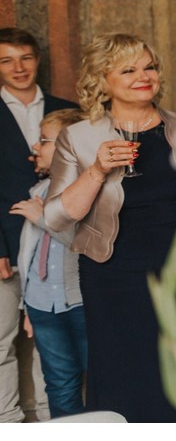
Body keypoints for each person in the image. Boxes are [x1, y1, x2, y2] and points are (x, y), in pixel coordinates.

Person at [43, 34, 176, 422]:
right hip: (114, 278)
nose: (144, 76)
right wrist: (96, 171)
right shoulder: (77, 136)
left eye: (149, 67)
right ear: (102, 81)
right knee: (125, 377)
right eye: (128, 69)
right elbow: (56, 218)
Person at [0, 28, 76, 423]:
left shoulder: (68, 109)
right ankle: (7, 422)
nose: (18, 67)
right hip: (8, 243)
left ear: (38, 59)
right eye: (6, 60)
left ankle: (51, 422)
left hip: (62, 247)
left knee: (51, 342)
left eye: (26, 57)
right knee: (1, 342)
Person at [11, 108, 87, 418]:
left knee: (99, 379)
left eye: (44, 140)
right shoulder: (38, 191)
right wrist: (28, 306)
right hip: (43, 305)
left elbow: (86, 244)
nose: (35, 147)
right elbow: (28, 252)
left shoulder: (90, 191)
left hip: (82, 303)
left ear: (69, 146)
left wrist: (43, 218)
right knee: (59, 384)